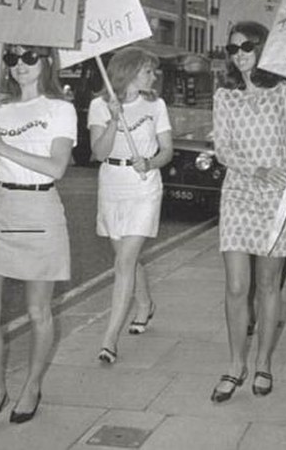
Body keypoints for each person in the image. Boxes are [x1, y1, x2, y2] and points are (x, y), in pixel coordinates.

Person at [0, 45, 77, 437]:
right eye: (13, 59)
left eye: (30, 57)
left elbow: (57, 166)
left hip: (40, 211)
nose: (20, 66)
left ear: (46, 62)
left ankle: (32, 385)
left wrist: (5, 147)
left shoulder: (59, 108)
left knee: (38, 312)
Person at [211, 21, 286, 402]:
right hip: (238, 192)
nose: (240, 54)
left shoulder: (285, 91)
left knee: (268, 285)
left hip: (275, 198)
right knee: (237, 286)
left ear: (264, 48)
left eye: (247, 46)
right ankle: (236, 364)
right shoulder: (225, 95)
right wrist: (256, 169)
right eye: (232, 49)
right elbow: (223, 148)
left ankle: (263, 362)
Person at [88, 46, 173, 364]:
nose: (154, 76)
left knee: (123, 263)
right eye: (148, 70)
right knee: (128, 259)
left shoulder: (157, 105)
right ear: (130, 71)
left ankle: (109, 339)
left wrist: (150, 163)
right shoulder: (99, 105)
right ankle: (145, 302)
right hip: (111, 183)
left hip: (144, 187)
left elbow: (167, 150)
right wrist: (112, 119)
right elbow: (97, 152)